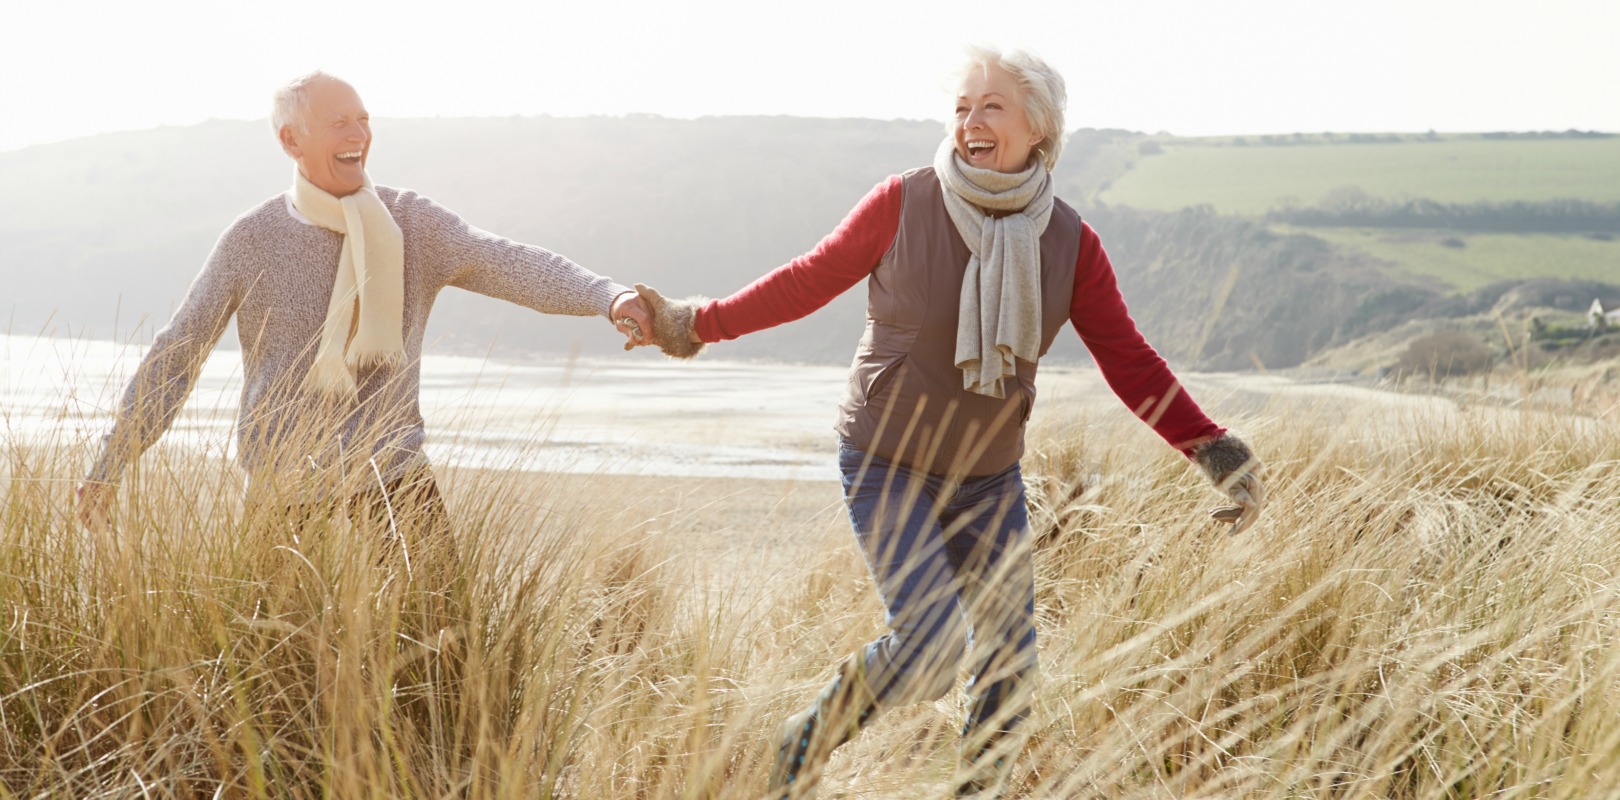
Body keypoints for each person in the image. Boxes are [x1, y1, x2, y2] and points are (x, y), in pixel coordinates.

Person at [631, 47, 1265, 798]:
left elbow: (1128, 358)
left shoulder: (1070, 243)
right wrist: (695, 322)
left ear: (1039, 128)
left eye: (991, 106)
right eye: (963, 107)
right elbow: (806, 281)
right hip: (885, 462)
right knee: (932, 648)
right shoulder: (903, 203)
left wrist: (1214, 450)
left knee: (1010, 663)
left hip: (987, 478)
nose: (971, 121)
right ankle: (802, 746)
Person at [76, 71, 652, 547]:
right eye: (338, 123)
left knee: (441, 663)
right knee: (277, 677)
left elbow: (508, 263)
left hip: (396, 486)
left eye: (363, 119)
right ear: (290, 140)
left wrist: (608, 296)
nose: (359, 134)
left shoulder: (411, 224)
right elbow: (179, 352)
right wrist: (112, 462)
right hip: (284, 499)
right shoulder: (252, 239)